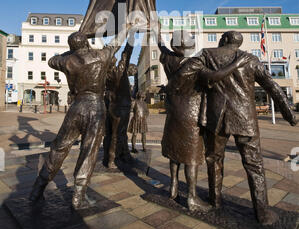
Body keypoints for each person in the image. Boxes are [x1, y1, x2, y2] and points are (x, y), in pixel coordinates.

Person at [174, 30, 297, 224]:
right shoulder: (250, 59)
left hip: (217, 117)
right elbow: (271, 86)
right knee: (254, 164)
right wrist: (288, 112)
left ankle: (215, 200)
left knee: (214, 159)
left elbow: (183, 75)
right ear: (238, 44)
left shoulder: (207, 54)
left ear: (223, 40)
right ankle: (262, 211)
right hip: (244, 118)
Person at [30, 24, 133, 209]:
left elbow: (52, 61)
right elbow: (117, 43)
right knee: (89, 150)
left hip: (76, 107)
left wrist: (71, 53)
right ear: (86, 43)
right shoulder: (101, 55)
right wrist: (127, 28)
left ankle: (38, 188)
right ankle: (78, 196)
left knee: (59, 147)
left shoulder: (67, 61)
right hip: (95, 106)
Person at [153, 24, 251, 212]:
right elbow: (214, 76)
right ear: (187, 45)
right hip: (190, 112)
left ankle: (173, 186)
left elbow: (160, 44)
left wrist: (156, 30)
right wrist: (236, 64)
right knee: (192, 156)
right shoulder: (196, 63)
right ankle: (191, 198)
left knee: (174, 148)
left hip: (173, 111)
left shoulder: (167, 58)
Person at [103, 31, 137, 168]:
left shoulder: (105, 74)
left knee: (113, 133)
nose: (115, 58)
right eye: (113, 57)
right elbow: (127, 52)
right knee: (117, 134)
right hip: (122, 108)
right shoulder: (120, 70)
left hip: (112, 107)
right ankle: (112, 159)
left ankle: (122, 154)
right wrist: (132, 34)